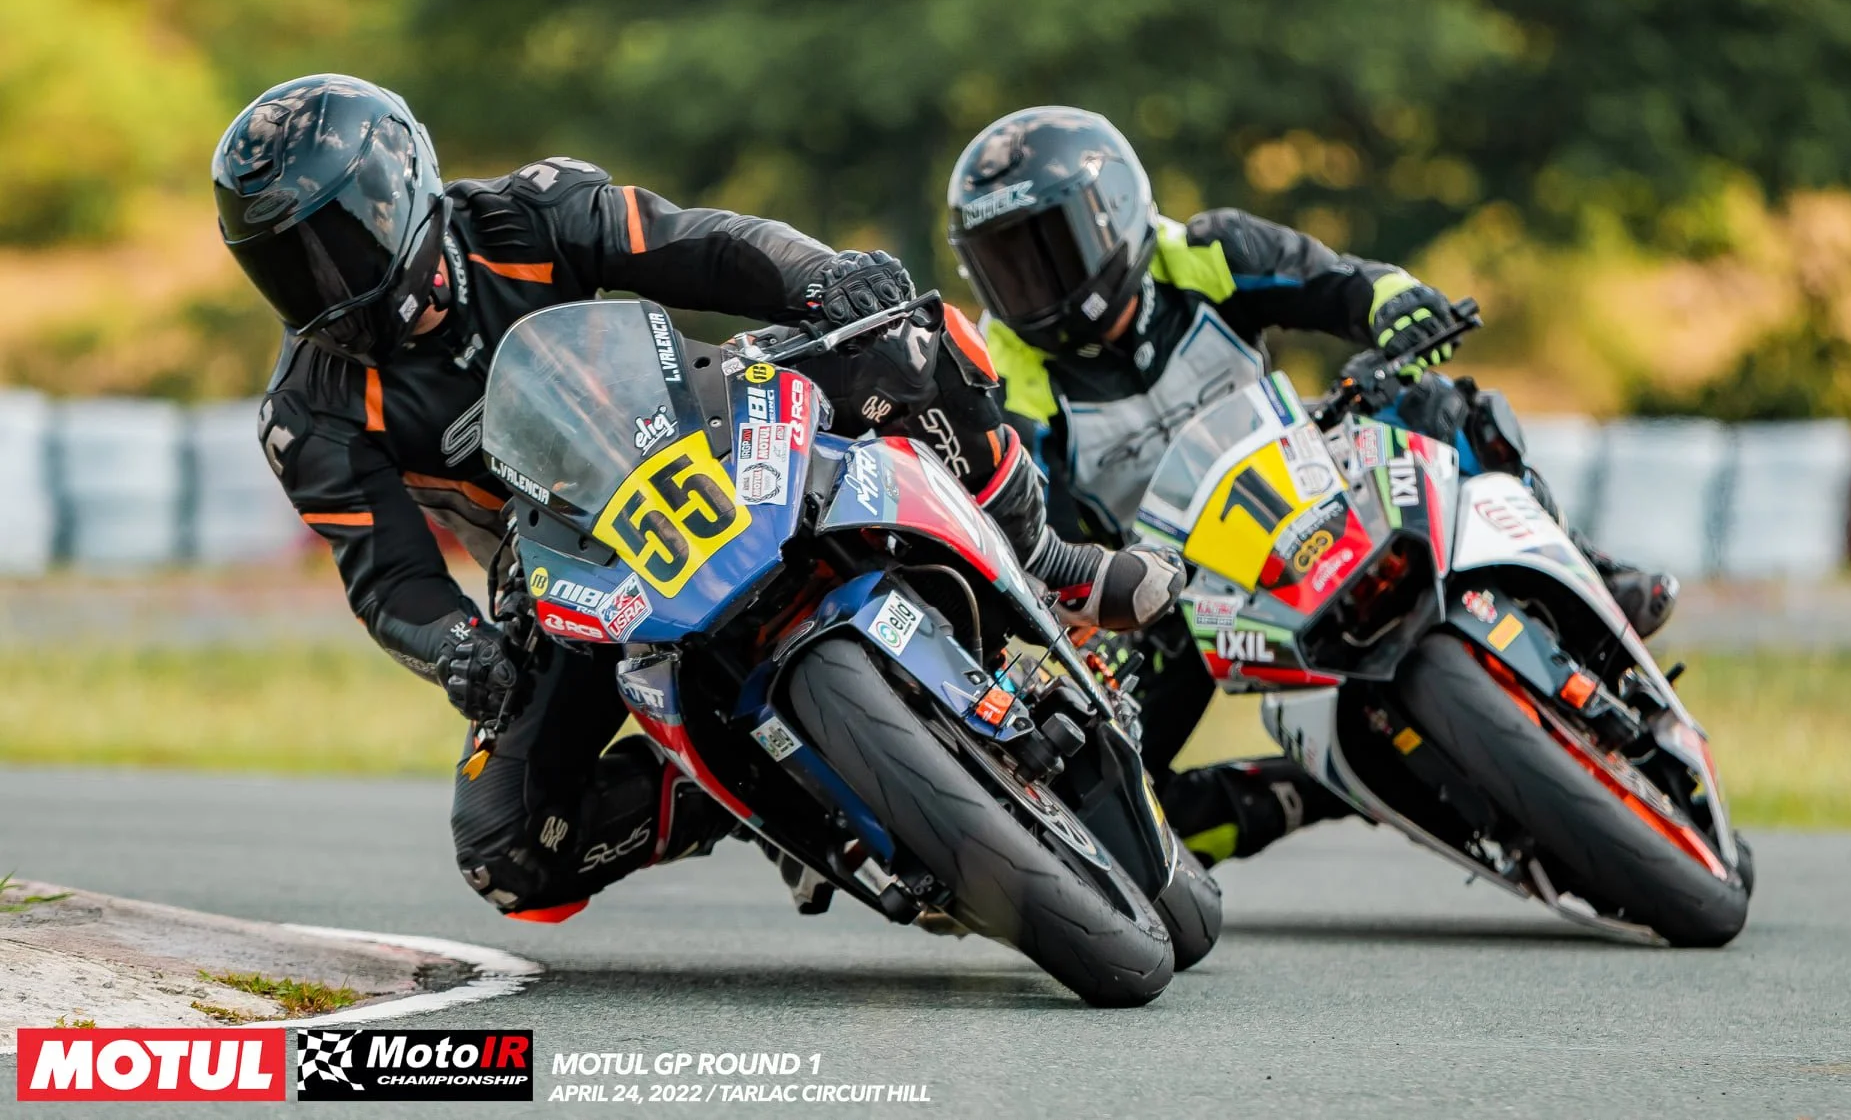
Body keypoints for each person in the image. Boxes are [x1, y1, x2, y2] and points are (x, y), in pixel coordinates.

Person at [215, 75, 1181, 920]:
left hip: (705, 416)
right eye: (289, 263)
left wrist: (823, 278)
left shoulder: (529, 210)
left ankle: (1049, 562)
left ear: (401, 185)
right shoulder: (309, 413)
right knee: (507, 851)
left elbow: (706, 245)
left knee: (900, 336)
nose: (326, 280)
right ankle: (737, 791)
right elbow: (387, 577)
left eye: (340, 237)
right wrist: (454, 649)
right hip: (558, 563)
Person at [946, 104, 1680, 869]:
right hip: (1173, 595)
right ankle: (1319, 787)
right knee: (1099, 812)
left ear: (1117, 214)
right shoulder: (1006, 378)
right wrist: (1097, 610)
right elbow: (1038, 531)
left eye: (1049, 250)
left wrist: (1396, 308)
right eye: (1007, 265)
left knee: (1436, 404)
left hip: (1312, 483)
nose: (1034, 285)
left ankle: (1586, 573)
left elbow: (1340, 282)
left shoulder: (1204, 251)